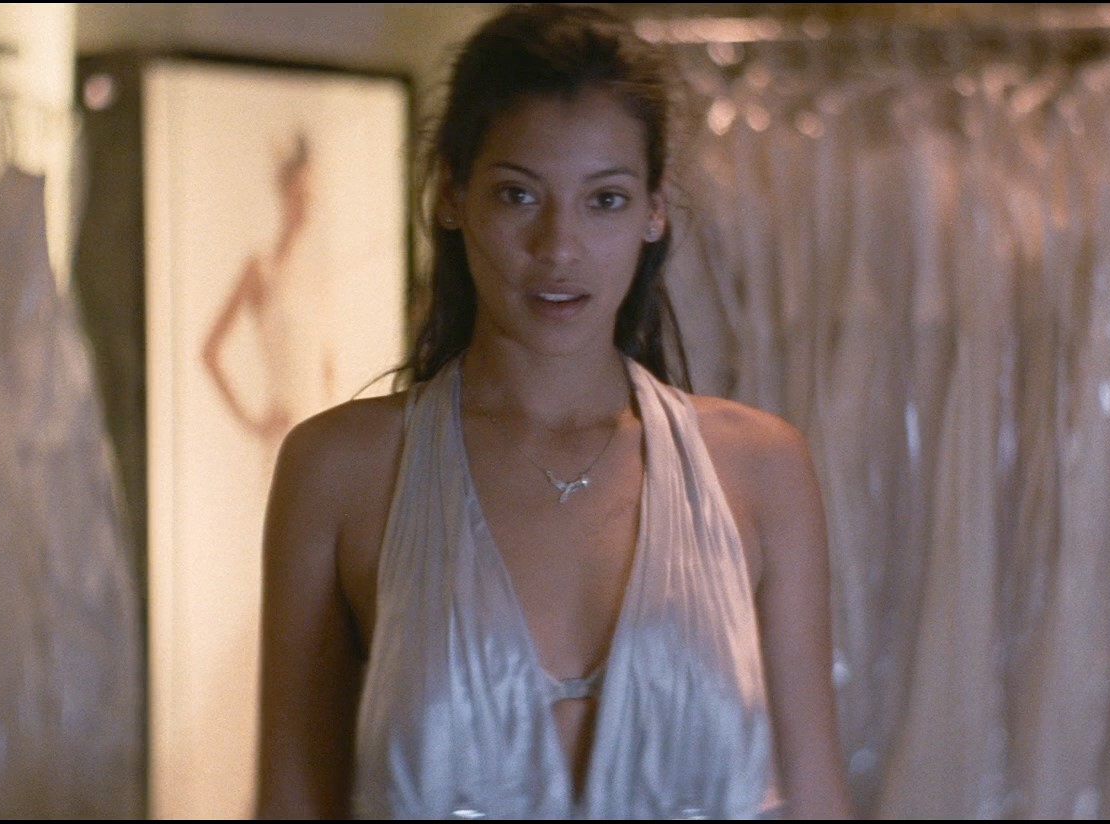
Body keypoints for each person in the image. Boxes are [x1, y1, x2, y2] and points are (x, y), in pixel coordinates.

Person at [256, 4, 851, 818]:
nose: (559, 247)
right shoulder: (341, 469)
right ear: (452, 194)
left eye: (604, 199)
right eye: (518, 195)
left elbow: (815, 799)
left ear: (654, 209)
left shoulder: (758, 469)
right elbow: (291, 800)